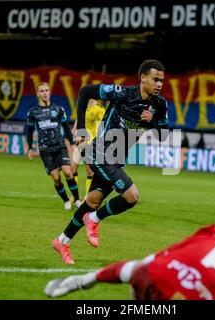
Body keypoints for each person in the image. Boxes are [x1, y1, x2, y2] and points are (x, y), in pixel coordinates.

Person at [52, 59, 169, 264]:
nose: (159, 84)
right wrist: (80, 131)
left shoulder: (159, 105)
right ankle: (94, 219)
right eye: (155, 79)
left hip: (117, 160)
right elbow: (85, 92)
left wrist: (151, 123)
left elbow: (164, 135)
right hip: (100, 154)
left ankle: (62, 241)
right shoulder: (122, 93)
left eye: (162, 81)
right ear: (143, 78)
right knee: (132, 196)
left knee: (92, 201)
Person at [45, 223, 215, 300]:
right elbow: (123, 271)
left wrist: (80, 281)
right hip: (208, 240)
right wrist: (80, 281)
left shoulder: (149, 270)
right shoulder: (150, 268)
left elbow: (123, 272)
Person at [26, 82, 81, 211]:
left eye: (46, 90)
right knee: (56, 178)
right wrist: (30, 148)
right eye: (42, 91)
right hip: (45, 149)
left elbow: (66, 128)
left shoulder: (58, 109)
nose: (45, 93)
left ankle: (77, 199)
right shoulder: (33, 112)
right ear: (38, 94)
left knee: (68, 172)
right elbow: (29, 131)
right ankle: (66, 200)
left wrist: (72, 144)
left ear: (49, 92)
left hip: (59, 146)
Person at [71, 98, 105, 194]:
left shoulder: (99, 109)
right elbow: (79, 117)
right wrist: (74, 129)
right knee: (73, 168)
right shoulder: (83, 105)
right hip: (80, 141)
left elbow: (102, 126)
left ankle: (88, 196)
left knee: (89, 170)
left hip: (91, 142)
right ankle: (75, 197)